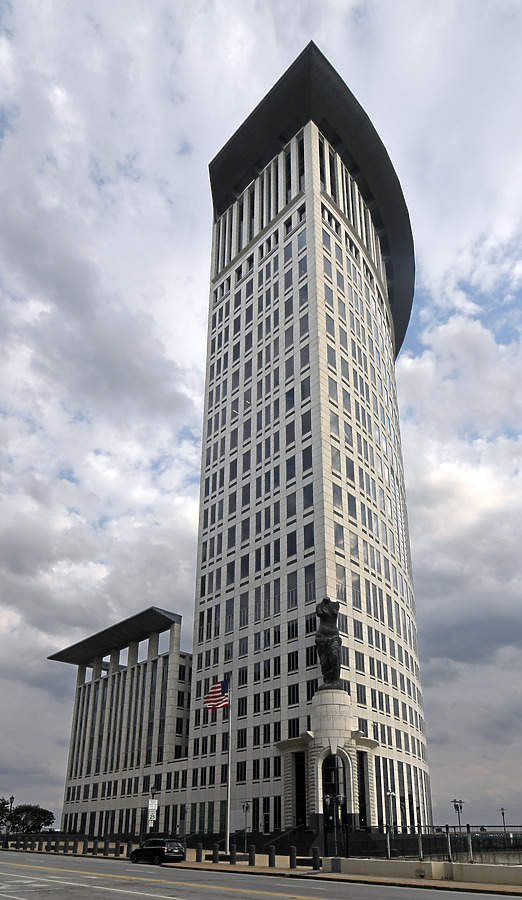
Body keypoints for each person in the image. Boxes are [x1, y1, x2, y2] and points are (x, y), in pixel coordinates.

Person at [315, 596, 342, 689]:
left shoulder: (336, 605)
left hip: (334, 635)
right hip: (321, 636)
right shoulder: (319, 606)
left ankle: (336, 680)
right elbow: (319, 613)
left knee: (335, 655)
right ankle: (327, 680)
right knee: (324, 661)